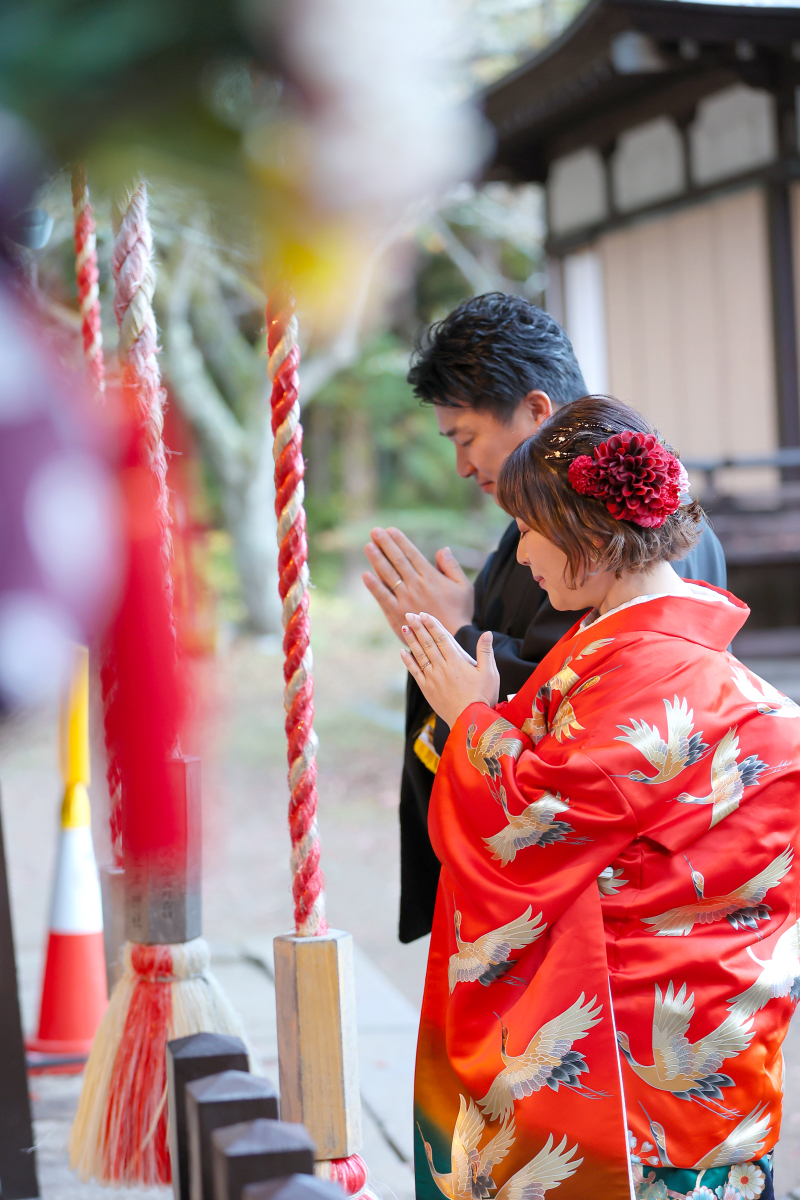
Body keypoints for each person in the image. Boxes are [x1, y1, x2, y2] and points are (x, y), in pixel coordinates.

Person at [399, 395, 798, 1200]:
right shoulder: (643, 651)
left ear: (591, 537)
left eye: (530, 531)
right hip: (685, 1023)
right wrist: (483, 718)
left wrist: (470, 720)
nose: (521, 554)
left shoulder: (652, 673)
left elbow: (534, 827)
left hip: (637, 1059)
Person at [362, 293, 726, 944]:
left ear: (536, 411)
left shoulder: (635, 551)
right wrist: (453, 632)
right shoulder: (552, 539)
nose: (462, 466)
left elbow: (583, 713)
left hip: (611, 902)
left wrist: (459, 639)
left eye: (466, 438)